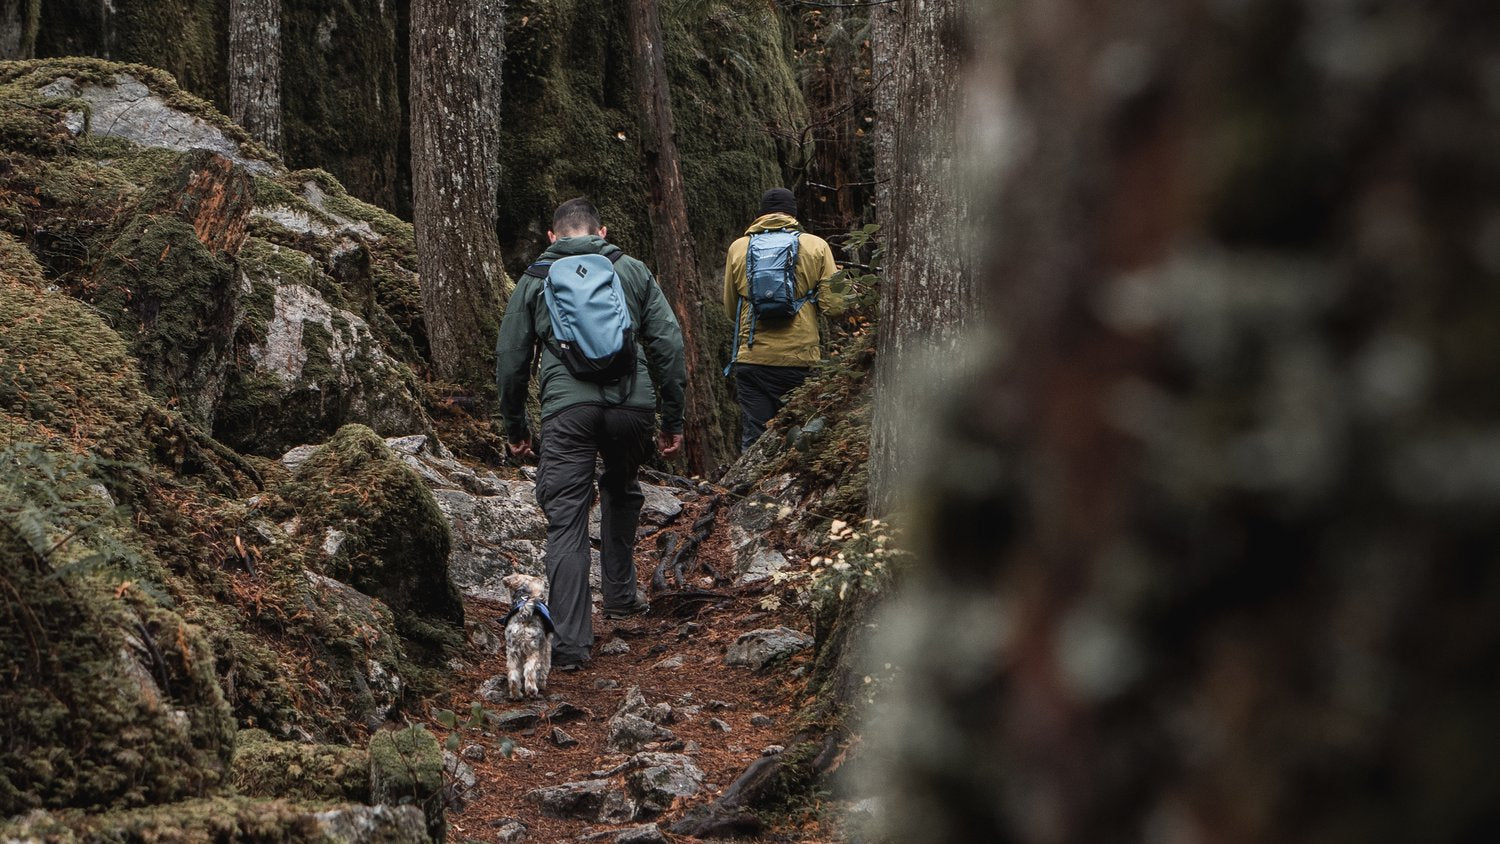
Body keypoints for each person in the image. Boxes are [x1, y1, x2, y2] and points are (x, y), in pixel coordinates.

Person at [495, 197, 686, 669]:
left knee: (567, 519)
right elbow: (667, 342)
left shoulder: (535, 278)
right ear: (601, 232)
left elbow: (512, 360)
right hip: (632, 407)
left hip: (568, 411)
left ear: (552, 237)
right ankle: (620, 597)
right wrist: (672, 418)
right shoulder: (632, 269)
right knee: (622, 487)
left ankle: (570, 645)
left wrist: (516, 427)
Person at [722, 187, 842, 451]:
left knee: (755, 438)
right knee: (798, 437)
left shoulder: (739, 248)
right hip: (799, 360)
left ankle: (750, 478)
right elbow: (835, 307)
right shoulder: (816, 245)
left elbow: (731, 310)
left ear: (761, 214)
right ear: (793, 214)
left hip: (752, 359)